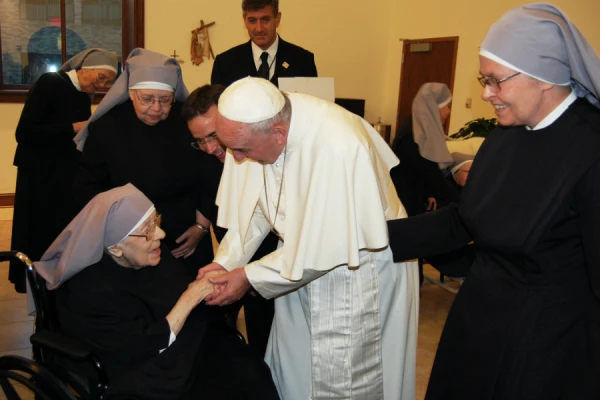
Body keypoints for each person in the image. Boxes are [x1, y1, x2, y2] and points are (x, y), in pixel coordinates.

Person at [387, 4, 600, 399]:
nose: (486, 93)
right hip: (477, 323)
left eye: (496, 81)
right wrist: (373, 236)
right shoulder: (506, 135)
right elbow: (466, 220)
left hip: (545, 345)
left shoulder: (590, 147)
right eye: (484, 79)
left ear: (545, 76)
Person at [199, 77, 419, 399]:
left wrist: (247, 276)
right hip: (296, 266)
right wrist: (225, 261)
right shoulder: (254, 131)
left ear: (279, 134)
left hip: (357, 274)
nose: (238, 160)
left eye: (243, 151)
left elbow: (328, 245)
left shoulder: (339, 145)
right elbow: (257, 206)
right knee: (296, 367)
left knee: (345, 377)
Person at [35, 184, 279, 400]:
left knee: (250, 371)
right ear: (116, 248)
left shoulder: (152, 254)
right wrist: (191, 296)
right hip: (144, 369)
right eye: (148, 230)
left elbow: (188, 303)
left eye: (156, 222)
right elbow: (140, 349)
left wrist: (227, 287)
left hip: (188, 347)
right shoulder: (89, 291)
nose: (160, 234)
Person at [73, 48, 219, 278]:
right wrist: (119, 236)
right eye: (147, 99)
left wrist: (202, 227)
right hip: (128, 242)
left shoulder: (186, 122)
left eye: (165, 100)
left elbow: (209, 174)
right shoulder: (106, 128)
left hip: (185, 236)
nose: (156, 108)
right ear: (131, 94)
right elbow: (88, 187)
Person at [9, 48, 118, 293]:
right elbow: (25, 133)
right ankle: (36, 282)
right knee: (39, 233)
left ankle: (57, 281)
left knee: (58, 231)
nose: (101, 85)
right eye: (101, 77)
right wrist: (74, 126)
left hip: (63, 175)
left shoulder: (81, 96)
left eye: (107, 83)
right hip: (39, 175)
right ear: (83, 68)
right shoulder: (49, 83)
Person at [183, 84, 279, 357]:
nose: (211, 148)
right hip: (237, 254)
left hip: (276, 260)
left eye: (214, 136)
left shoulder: (258, 150)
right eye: (200, 140)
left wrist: (250, 274)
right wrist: (227, 262)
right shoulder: (209, 156)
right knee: (258, 336)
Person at [390, 82, 460, 217]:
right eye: (446, 106)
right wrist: (462, 202)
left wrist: (430, 193)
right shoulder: (412, 136)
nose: (448, 111)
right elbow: (430, 173)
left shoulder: (419, 128)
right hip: (406, 207)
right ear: (432, 107)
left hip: (416, 200)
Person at [211, 0, 317, 88]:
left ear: (278, 19)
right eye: (252, 21)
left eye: (265, 20)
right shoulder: (224, 64)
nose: (259, 29)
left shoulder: (303, 61)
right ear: (244, 20)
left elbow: (312, 108)